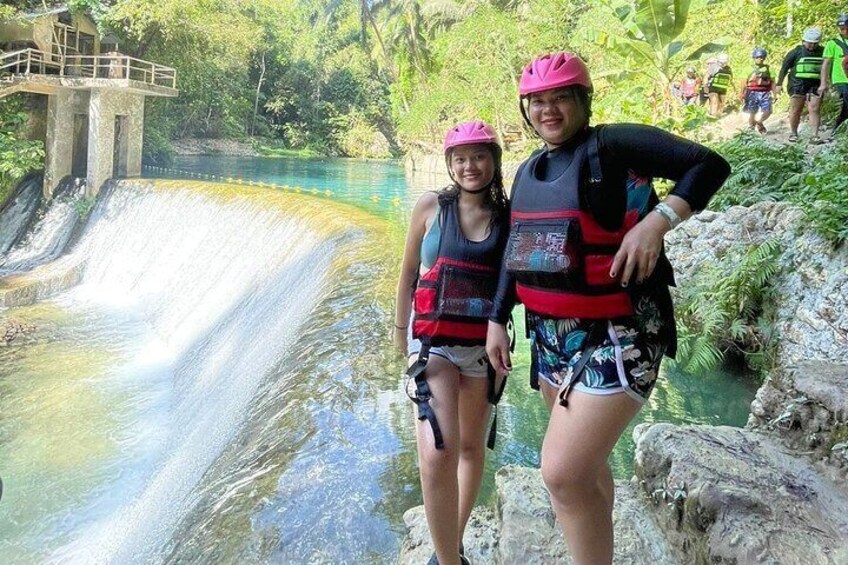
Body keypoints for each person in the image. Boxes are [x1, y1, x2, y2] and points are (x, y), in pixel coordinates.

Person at [485, 52, 730, 565]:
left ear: (583, 100)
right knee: (588, 471)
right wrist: (495, 320)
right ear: (525, 108)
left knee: (561, 473)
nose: (547, 110)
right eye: (537, 101)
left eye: (560, 98)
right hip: (552, 338)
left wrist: (658, 220)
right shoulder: (529, 169)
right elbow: (517, 249)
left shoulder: (612, 145)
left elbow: (708, 164)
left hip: (621, 333)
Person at [393, 120, 509, 565]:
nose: (469, 166)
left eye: (479, 156)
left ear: (493, 161)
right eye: (460, 158)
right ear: (449, 164)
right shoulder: (430, 207)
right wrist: (399, 331)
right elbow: (407, 274)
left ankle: (452, 542)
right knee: (438, 451)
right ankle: (446, 561)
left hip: (481, 348)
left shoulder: (507, 217)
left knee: (469, 447)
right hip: (431, 345)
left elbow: (514, 283)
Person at [777, 27, 825, 142]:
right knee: (796, 109)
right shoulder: (796, 52)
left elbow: (828, 66)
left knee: (814, 108)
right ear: (804, 41)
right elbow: (784, 68)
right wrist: (779, 84)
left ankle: (815, 135)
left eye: (815, 43)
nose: (812, 46)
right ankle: (794, 133)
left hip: (815, 84)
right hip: (797, 84)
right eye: (809, 43)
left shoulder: (823, 51)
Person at [818, 13, 848, 134]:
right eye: (841, 29)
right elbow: (825, 64)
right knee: (846, 99)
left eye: (846, 28)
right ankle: (837, 129)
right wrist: (823, 83)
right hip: (840, 80)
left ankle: (838, 129)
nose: (844, 31)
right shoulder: (833, 43)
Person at [740, 48, 776, 134]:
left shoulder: (769, 69)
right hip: (752, 92)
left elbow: (773, 82)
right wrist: (742, 94)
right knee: (752, 111)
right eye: (758, 57)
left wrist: (775, 94)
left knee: (768, 111)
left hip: (765, 92)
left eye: (762, 57)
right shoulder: (748, 69)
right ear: (754, 57)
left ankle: (759, 122)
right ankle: (751, 128)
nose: (760, 59)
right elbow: (743, 82)